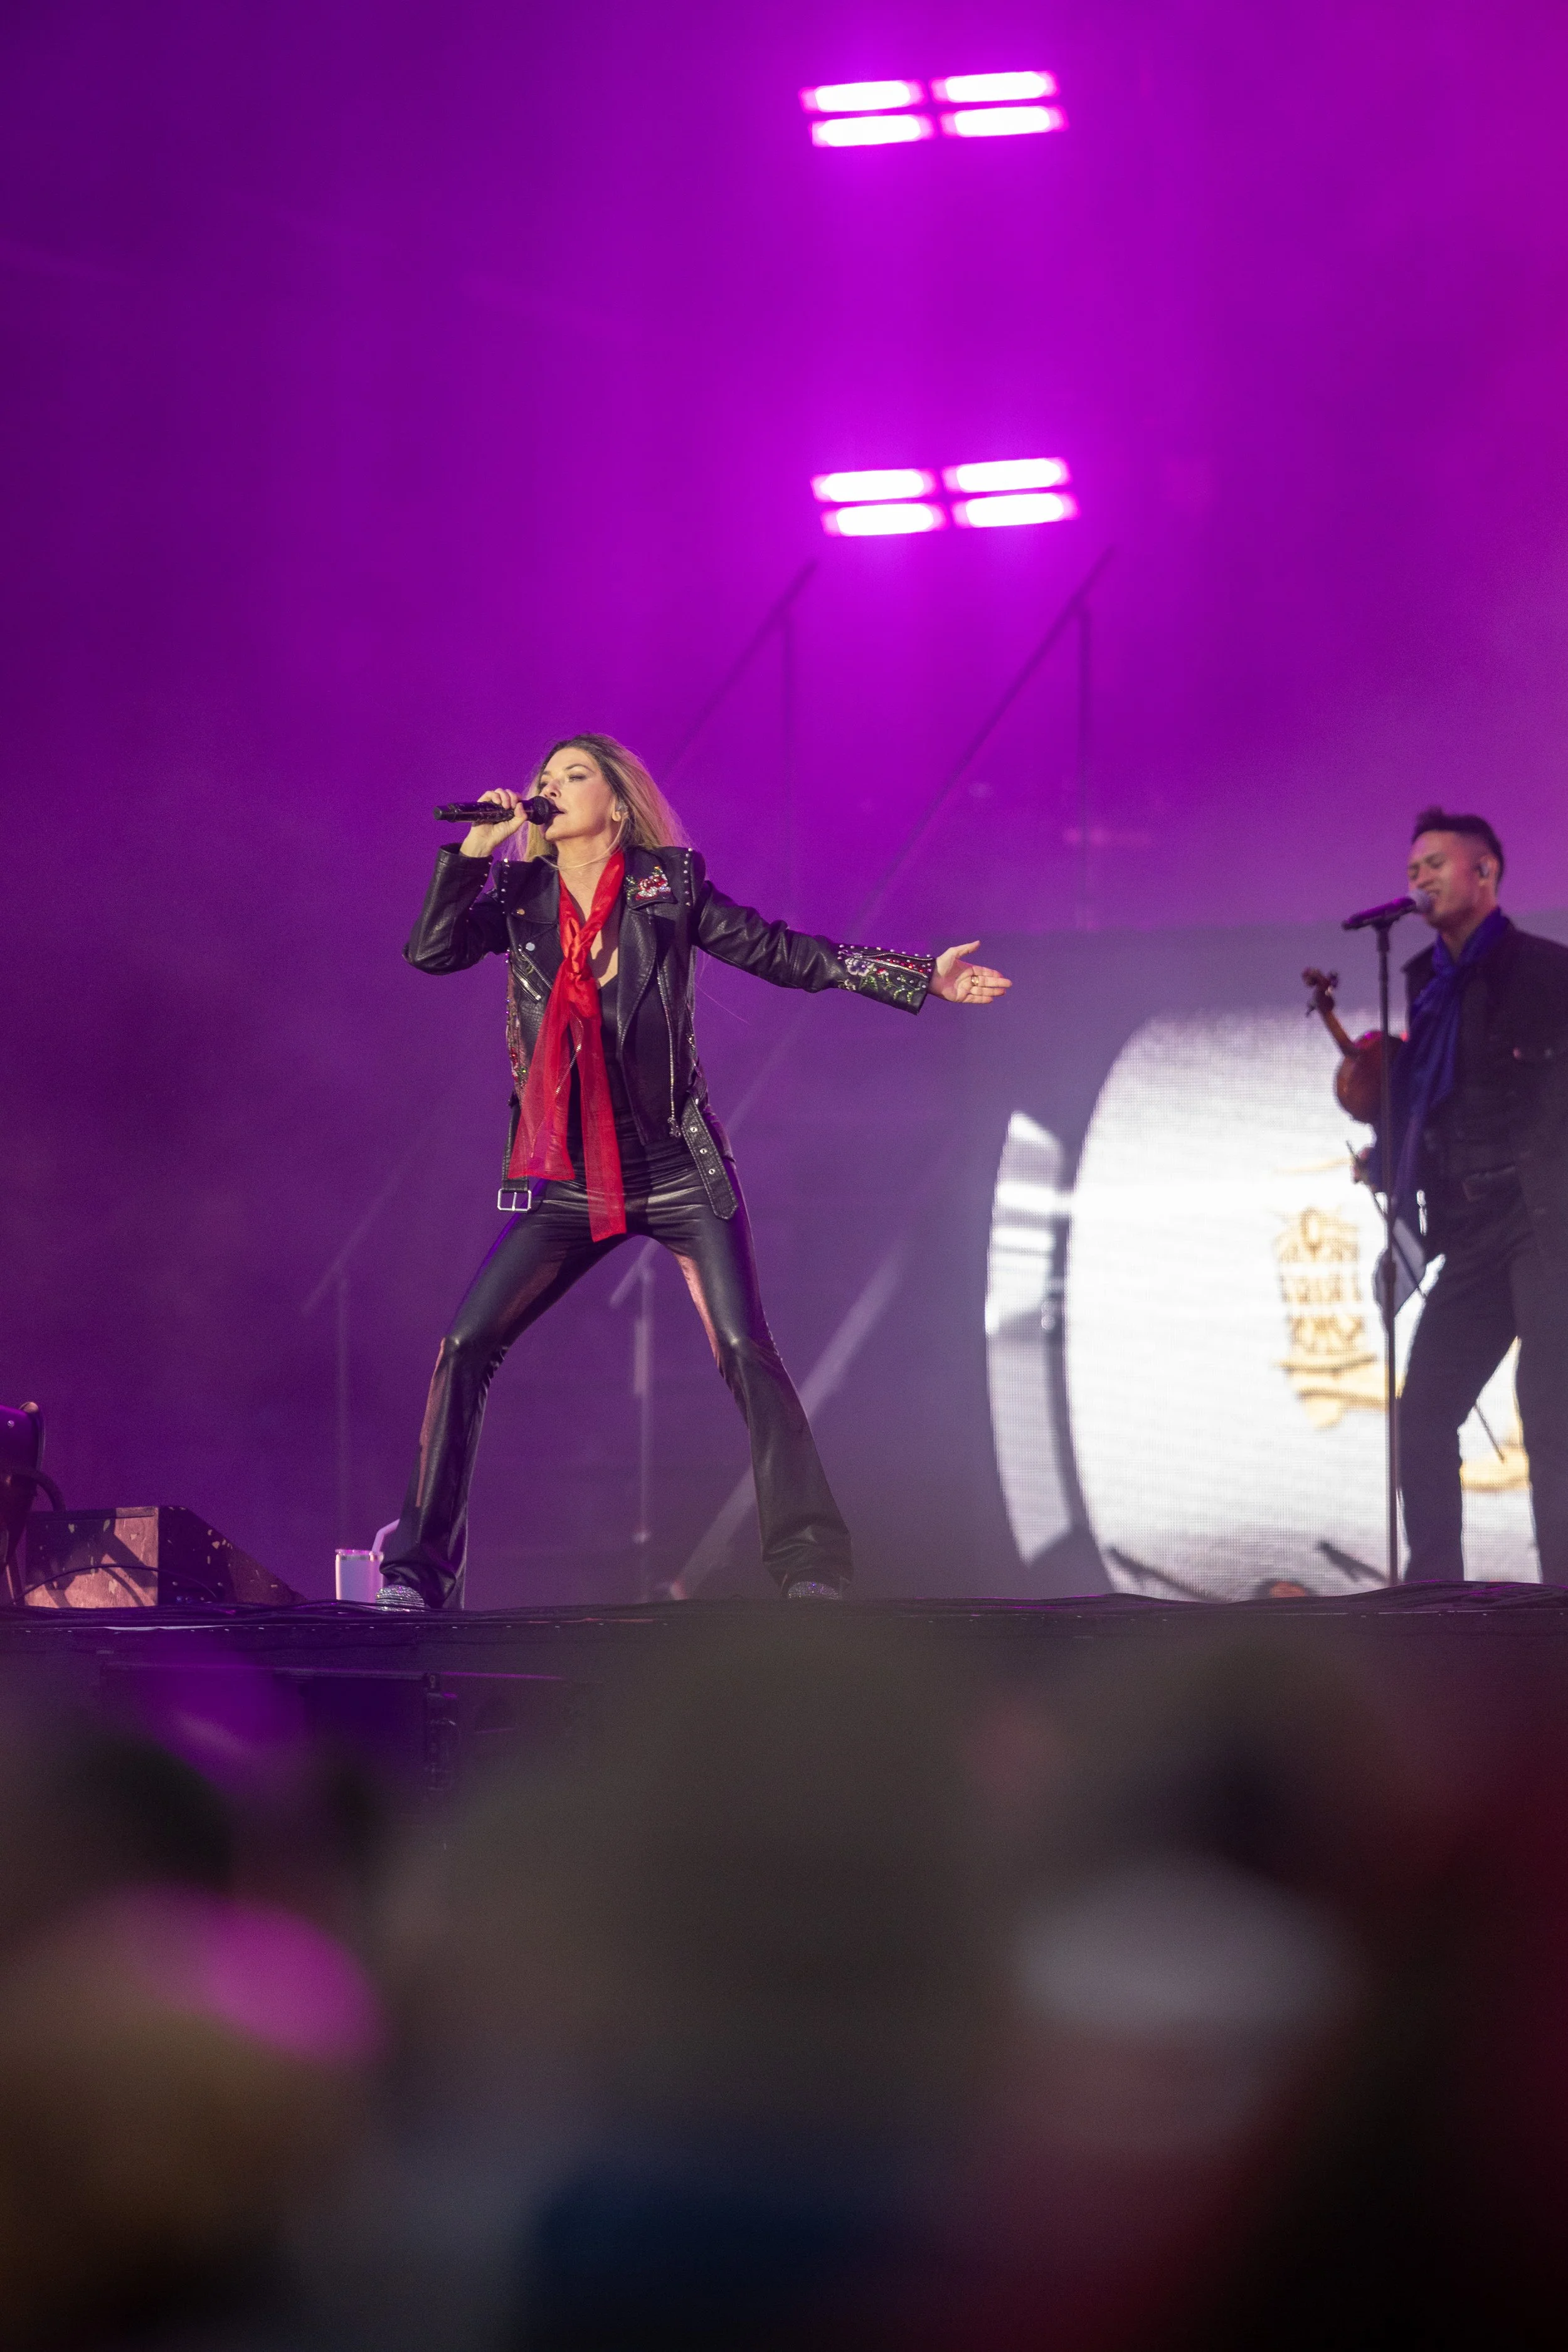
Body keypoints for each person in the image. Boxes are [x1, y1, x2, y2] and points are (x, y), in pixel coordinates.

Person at [378, 734, 1010, 1610]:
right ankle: (416, 1573)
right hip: (570, 1177)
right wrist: (469, 858)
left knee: (746, 1348)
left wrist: (913, 975)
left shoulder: (666, 885)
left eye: (574, 775)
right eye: (543, 778)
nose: (550, 787)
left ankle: (811, 1562)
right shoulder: (518, 894)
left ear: (618, 800)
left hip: (677, 1167)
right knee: (466, 1343)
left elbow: (785, 953)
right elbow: (431, 951)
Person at [1379, 807, 1568, 1583]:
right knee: (1422, 1412)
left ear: (1483, 872)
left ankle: (1561, 1598)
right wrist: (1394, 1160)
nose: (1417, 876)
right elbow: (1435, 1100)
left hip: (1541, 1220)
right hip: (1467, 1225)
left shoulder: (1548, 973)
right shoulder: (1423, 986)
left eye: (1434, 863)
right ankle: (1434, 1604)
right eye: (1412, 865)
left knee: (1550, 1408)